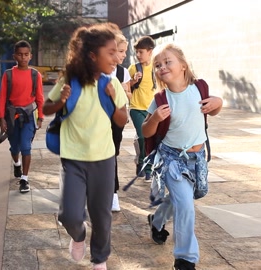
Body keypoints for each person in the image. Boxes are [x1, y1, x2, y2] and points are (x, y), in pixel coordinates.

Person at [43, 23, 128, 270]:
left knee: (102, 218)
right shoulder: (69, 80)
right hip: (73, 159)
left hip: (103, 159)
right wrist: (61, 101)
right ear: (93, 56)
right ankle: (78, 235)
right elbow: (48, 109)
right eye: (110, 52)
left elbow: (121, 121)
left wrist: (113, 99)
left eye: (117, 52)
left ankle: (100, 259)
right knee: (69, 215)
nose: (116, 58)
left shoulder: (110, 84)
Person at [142, 43, 223, 270]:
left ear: (183, 66)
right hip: (171, 159)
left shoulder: (200, 88)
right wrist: (155, 119)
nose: (162, 66)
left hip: (196, 159)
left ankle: (157, 221)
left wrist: (219, 103)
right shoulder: (160, 99)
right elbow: (146, 131)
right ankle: (185, 259)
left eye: (168, 61)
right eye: (158, 65)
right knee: (185, 205)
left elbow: (211, 109)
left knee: (183, 198)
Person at [0, 40, 44, 193]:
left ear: (30, 56)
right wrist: (1, 119)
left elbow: (40, 98)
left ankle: (24, 179)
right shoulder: (8, 75)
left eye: (26, 54)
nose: (23, 57)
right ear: (14, 56)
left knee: (26, 146)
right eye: (20, 54)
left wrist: (40, 116)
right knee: (14, 147)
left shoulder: (35, 75)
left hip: (28, 116)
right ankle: (16, 164)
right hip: (12, 116)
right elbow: (2, 97)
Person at [128, 36, 156, 181]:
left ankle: (146, 165)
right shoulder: (133, 68)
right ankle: (144, 166)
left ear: (150, 51)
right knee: (143, 135)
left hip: (151, 109)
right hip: (136, 108)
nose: (138, 55)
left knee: (151, 138)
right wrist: (133, 81)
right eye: (136, 52)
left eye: (141, 52)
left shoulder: (156, 67)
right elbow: (125, 87)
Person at [110, 31, 131, 212]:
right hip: (99, 119)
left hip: (117, 120)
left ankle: (113, 193)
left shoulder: (123, 72)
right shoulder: (99, 69)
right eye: (122, 51)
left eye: (125, 51)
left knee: (112, 154)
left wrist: (125, 91)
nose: (124, 55)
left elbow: (128, 95)